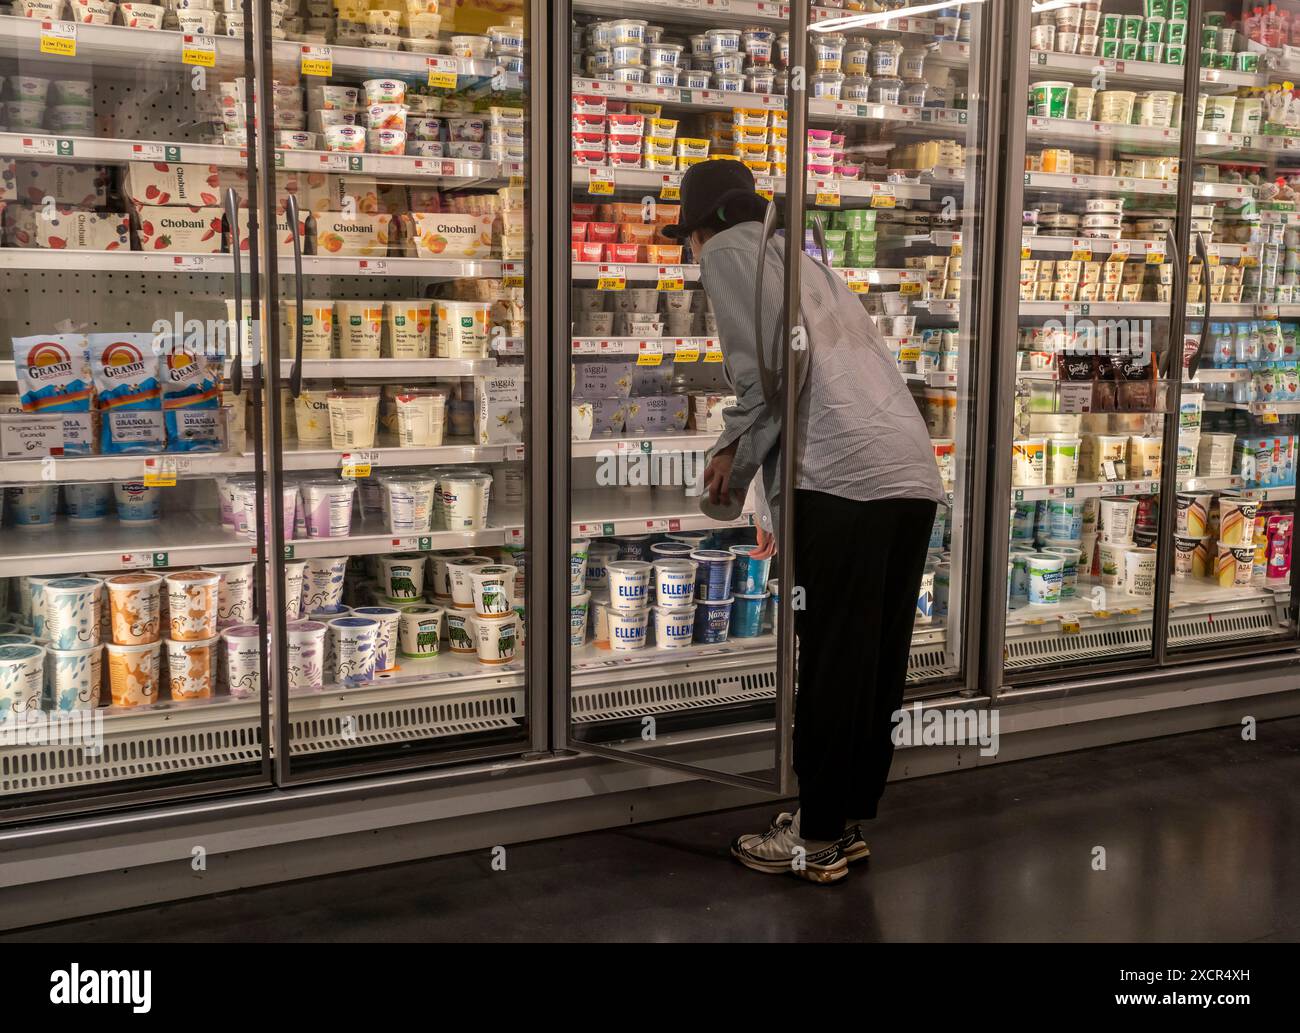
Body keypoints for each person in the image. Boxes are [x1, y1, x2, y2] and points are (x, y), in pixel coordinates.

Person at [664, 160, 946, 885]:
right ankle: (839, 820)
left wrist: (734, 457)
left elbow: (764, 378)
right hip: (904, 473)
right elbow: (810, 378)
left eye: (687, 239)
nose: (691, 254)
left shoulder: (732, 251)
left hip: (843, 483)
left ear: (705, 226)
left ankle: (815, 837)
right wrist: (771, 503)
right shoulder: (803, 256)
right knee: (870, 663)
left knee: (828, 662)